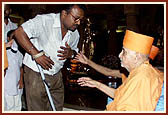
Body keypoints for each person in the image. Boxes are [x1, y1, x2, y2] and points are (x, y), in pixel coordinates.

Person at [14, 4, 87, 111]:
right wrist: (36, 54)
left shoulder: (74, 33)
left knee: (56, 109)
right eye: (76, 18)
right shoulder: (44, 21)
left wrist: (71, 53)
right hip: (36, 74)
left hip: (56, 75)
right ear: (64, 13)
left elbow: (75, 52)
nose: (78, 23)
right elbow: (19, 33)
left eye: (81, 20)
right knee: (37, 110)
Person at [77, 30, 164, 111]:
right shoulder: (138, 72)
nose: (119, 55)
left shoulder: (142, 78)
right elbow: (120, 95)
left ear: (136, 57)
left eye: (124, 52)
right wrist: (97, 84)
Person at [4, 30, 24, 111]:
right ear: (8, 38)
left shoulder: (20, 53)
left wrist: (21, 80)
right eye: (13, 38)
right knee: (8, 105)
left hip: (17, 83)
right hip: (7, 83)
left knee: (17, 105)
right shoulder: (4, 51)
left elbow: (20, 67)